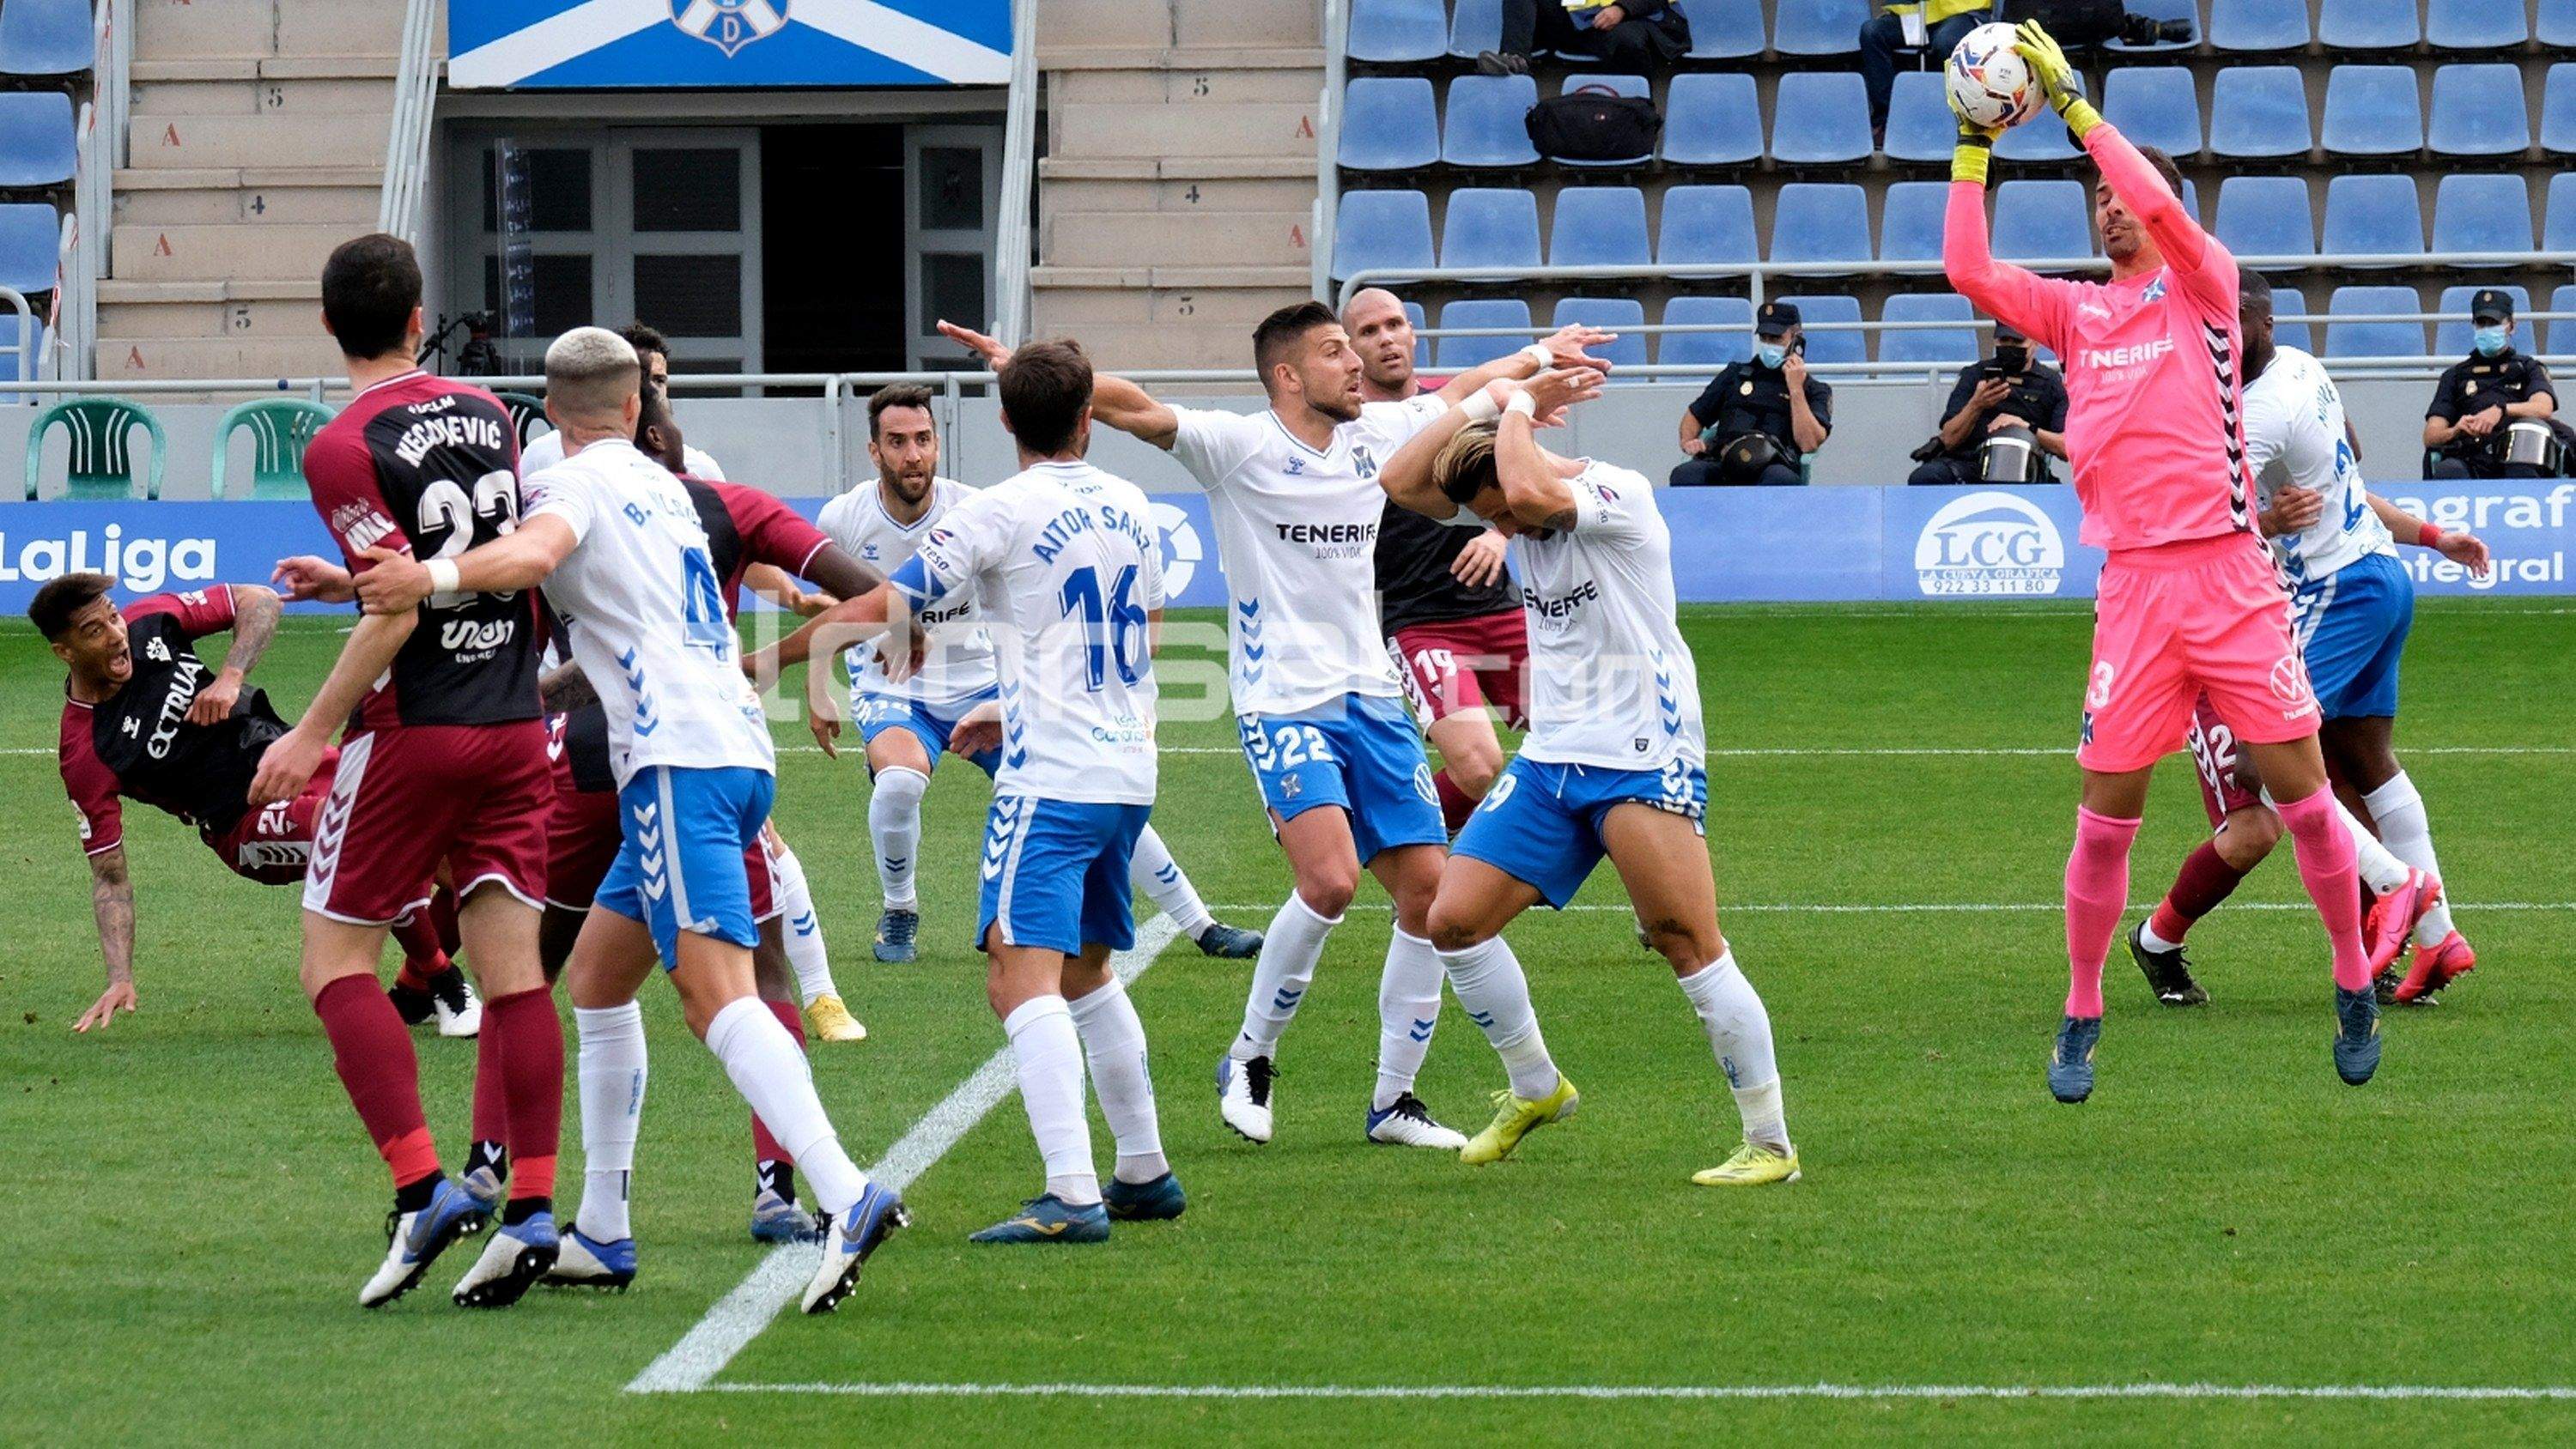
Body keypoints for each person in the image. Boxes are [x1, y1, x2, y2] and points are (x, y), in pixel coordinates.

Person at [937, 306, 1607, 1153]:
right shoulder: (1237, 444)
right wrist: (1034, 373)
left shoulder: (1383, 430)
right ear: (1288, 374)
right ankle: (1250, 1056)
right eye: (1336, 352)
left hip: (1371, 693)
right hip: (1282, 697)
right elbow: (1133, 406)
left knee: (1427, 897)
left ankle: (1394, 1099)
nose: (1357, 364)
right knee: (1328, 881)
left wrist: (1542, 354)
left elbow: (1470, 389)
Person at [351, 327, 908, 1315]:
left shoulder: (573, 483)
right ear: (637, 405)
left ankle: (847, 1192)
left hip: (674, 760)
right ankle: (602, 1227)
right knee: (602, 983)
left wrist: (429, 578)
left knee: (714, 996)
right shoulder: (671, 486)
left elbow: (532, 553)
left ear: (551, 414)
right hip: (727, 742)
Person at [1946, 21, 2384, 1101]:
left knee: (2304, 796)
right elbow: (1964, 265)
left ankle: (2351, 969)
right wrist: (1971, 142)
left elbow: (2164, 210)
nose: (2109, 210)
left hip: (2232, 581)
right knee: (2106, 816)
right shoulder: (2077, 314)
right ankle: (2083, 1002)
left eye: (2123, 197)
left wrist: (2082, 110)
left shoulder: (2205, 290)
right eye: (2096, 199)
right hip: (2134, 590)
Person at [754, 341, 1182, 1245]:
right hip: (1126, 767)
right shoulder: (1135, 504)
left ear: (998, 424)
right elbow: (1137, 624)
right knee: (1088, 970)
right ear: (1087, 415)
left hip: (1053, 779)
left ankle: (1072, 1192)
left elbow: (884, 604)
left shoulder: (997, 509)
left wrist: (770, 660)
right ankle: (1143, 1167)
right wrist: (1006, 693)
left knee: (1013, 975)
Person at [1374, 368, 1802, 1187]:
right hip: (1553, 757)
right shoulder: (1519, 500)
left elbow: (1530, 491)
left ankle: (1770, 1142)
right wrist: (1486, 401)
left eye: (1497, 512)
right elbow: (1400, 481)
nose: (1500, 528)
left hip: (1641, 748)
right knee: (1451, 920)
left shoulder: (1617, 491)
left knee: (1687, 944)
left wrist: (1525, 406)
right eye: (1486, 517)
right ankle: (1536, 1086)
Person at [243, 233, 562, 1310]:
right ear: (423, 318)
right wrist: (353, 579)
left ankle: (421, 1182)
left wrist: (310, 734)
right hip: (516, 718)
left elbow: (402, 603)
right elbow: (457, 559)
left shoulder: (340, 443)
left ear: (329, 326)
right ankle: (531, 1211)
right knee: (515, 972)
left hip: (414, 727)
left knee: (333, 961)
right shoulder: (488, 409)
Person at [2131, 271, 2491, 1008]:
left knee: (2266, 773)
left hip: (2324, 596)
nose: (2217, 335)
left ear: (2262, 321)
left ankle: (2397, 899)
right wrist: (2430, 535)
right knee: (2356, 766)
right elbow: (2345, 482)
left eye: (2231, 320)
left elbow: (2189, 527)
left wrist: (2258, 524)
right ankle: (2435, 937)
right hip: (2371, 581)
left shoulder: (2254, 415)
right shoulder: (2304, 367)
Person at [814, 385, 1261, 964]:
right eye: (897, 442)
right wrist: (818, 680)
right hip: (894, 685)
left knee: (1091, 785)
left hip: (986, 684)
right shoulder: (843, 518)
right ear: (874, 452)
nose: (913, 454)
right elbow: (835, 607)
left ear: (938, 443)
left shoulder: (976, 508)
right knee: (899, 782)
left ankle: (1199, 923)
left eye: (923, 439)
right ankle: (900, 909)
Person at [33, 573, 473, 1035]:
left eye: (113, 616)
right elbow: (109, 875)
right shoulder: (86, 750)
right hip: (242, 824)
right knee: (362, 829)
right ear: (65, 652)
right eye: (94, 631)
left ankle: (414, 992)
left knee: (459, 860)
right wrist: (119, 977)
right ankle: (447, 983)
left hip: (286, 759)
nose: (117, 634)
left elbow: (260, 600)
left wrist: (230, 675)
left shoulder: (151, 622)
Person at [1346, 287, 1534, 831]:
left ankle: (1443, 857)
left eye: (1393, 325)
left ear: (1413, 333)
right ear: (1351, 350)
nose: (1386, 339)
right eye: (1368, 331)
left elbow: (1523, 487)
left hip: (1501, 609)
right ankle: (1405, 852)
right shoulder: (1345, 429)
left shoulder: (1457, 411)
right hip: (1420, 624)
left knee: (1579, 737)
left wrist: (1501, 533)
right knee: (1477, 766)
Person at [1669, 301, 1830, 488]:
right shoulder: (1735, 374)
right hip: (1725, 460)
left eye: (1776, 338)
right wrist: (1689, 441)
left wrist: (1795, 389)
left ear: (1796, 338)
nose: (1769, 344)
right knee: (1686, 475)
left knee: (1779, 480)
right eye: (1765, 337)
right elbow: (1694, 415)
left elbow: (1809, 443)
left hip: (1774, 464)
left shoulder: (1815, 389)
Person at [1909, 319, 2069, 485]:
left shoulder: (2051, 384)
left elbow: (2065, 448)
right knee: (1926, 476)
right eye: (2004, 340)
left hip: (2025, 466)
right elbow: (1949, 439)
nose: (2009, 346)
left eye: (2017, 342)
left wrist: (2025, 427)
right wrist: (1977, 404)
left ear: (2036, 342)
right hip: (1972, 463)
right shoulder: (1974, 375)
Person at [2423, 289, 2561, 480]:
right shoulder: (2454, 376)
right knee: (2449, 471)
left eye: (2494, 323)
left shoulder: (2529, 367)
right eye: (2481, 323)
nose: (2487, 329)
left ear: (2511, 326)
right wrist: (2455, 430)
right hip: (2470, 458)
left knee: (2522, 466)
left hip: (2518, 454)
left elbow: (2543, 408)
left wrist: (2501, 411)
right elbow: (2431, 435)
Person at [1862, 1, 1990, 147]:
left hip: (1961, 12)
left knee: (1945, 44)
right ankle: (1888, 121)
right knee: (1872, 33)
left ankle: (1948, 120)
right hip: (1915, 15)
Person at [1476, 0, 1690, 76]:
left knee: (1628, 42)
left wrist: (1621, 8)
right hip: (1582, 20)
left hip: (1630, 20)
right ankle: (1515, 60)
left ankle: (1637, 108)